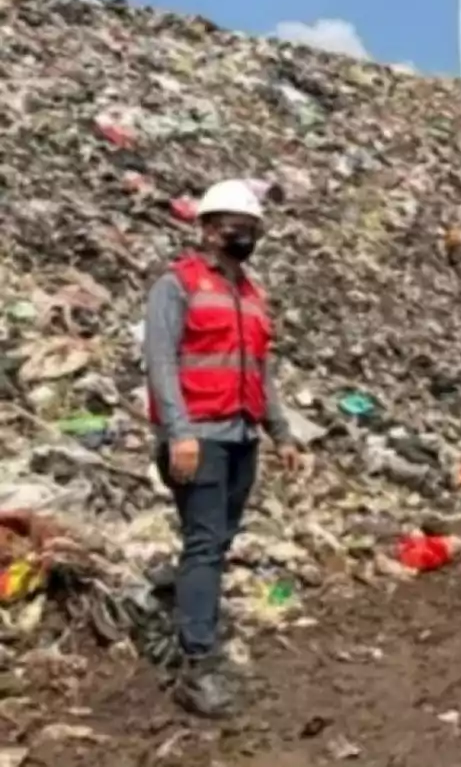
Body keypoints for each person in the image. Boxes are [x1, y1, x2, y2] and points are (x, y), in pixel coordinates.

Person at [144, 179, 302, 718]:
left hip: (241, 436)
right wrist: (179, 431)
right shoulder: (178, 284)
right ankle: (197, 665)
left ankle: (183, 596)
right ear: (208, 229)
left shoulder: (252, 295)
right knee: (207, 543)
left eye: (251, 228)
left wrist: (281, 432)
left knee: (218, 538)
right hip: (198, 438)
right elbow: (161, 361)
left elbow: (261, 370)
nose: (244, 235)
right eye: (236, 226)